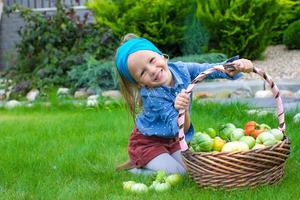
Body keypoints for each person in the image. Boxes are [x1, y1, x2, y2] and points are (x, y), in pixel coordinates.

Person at [115, 33, 253, 175]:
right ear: (139, 83)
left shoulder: (182, 69)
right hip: (148, 143)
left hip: (172, 140)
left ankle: (152, 161)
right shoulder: (152, 94)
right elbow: (179, 128)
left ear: (162, 55)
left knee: (194, 169)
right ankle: (137, 169)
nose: (152, 70)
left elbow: (209, 70)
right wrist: (184, 110)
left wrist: (235, 66)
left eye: (152, 60)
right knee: (179, 173)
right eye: (143, 72)